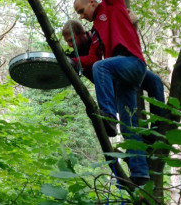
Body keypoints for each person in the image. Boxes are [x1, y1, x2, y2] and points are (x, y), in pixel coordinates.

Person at [71, 0, 153, 185]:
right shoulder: (96, 28)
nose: (81, 16)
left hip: (132, 63)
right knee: (128, 124)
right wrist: (72, 61)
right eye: (78, 14)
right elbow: (92, 57)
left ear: (92, 2)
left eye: (82, 11)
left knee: (101, 67)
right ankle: (140, 174)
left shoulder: (112, 6)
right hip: (122, 76)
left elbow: (98, 64)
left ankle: (108, 116)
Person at [62, 20, 164, 143]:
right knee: (128, 121)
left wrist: (72, 61)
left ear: (81, 34)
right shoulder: (74, 54)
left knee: (155, 81)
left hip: (120, 70)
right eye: (67, 41)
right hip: (113, 92)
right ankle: (127, 137)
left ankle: (159, 127)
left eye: (71, 40)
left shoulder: (95, 36)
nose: (69, 45)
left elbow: (93, 60)